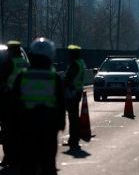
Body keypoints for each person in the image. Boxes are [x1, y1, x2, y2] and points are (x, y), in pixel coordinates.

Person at [10, 37, 65, 174]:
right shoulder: (54, 77)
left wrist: (13, 123)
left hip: (26, 122)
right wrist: (61, 122)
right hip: (48, 123)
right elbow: (61, 102)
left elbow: (13, 102)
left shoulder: (22, 75)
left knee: (27, 163)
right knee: (48, 163)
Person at [0, 41, 29, 167]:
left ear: (11, 51)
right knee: (21, 131)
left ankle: (9, 158)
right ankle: (21, 156)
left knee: (7, 131)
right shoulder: (27, 64)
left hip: (10, 102)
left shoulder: (10, 63)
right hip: (25, 103)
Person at [62, 45, 86, 147]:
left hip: (72, 92)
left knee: (73, 117)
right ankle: (75, 137)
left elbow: (68, 79)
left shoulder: (75, 64)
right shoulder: (81, 63)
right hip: (77, 91)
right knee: (74, 116)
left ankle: (73, 139)